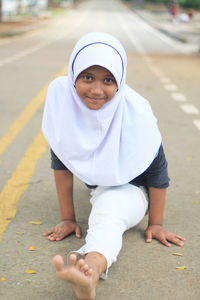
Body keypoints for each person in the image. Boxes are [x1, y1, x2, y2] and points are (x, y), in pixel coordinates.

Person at [42, 32, 186, 300]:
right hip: (101, 184)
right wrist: (67, 217)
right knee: (104, 201)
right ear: (73, 74)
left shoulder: (136, 112)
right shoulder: (63, 101)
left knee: (107, 214)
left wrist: (155, 222)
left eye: (108, 80)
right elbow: (61, 159)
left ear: (120, 81)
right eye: (87, 77)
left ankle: (91, 272)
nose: (97, 90)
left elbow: (157, 170)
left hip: (133, 189)